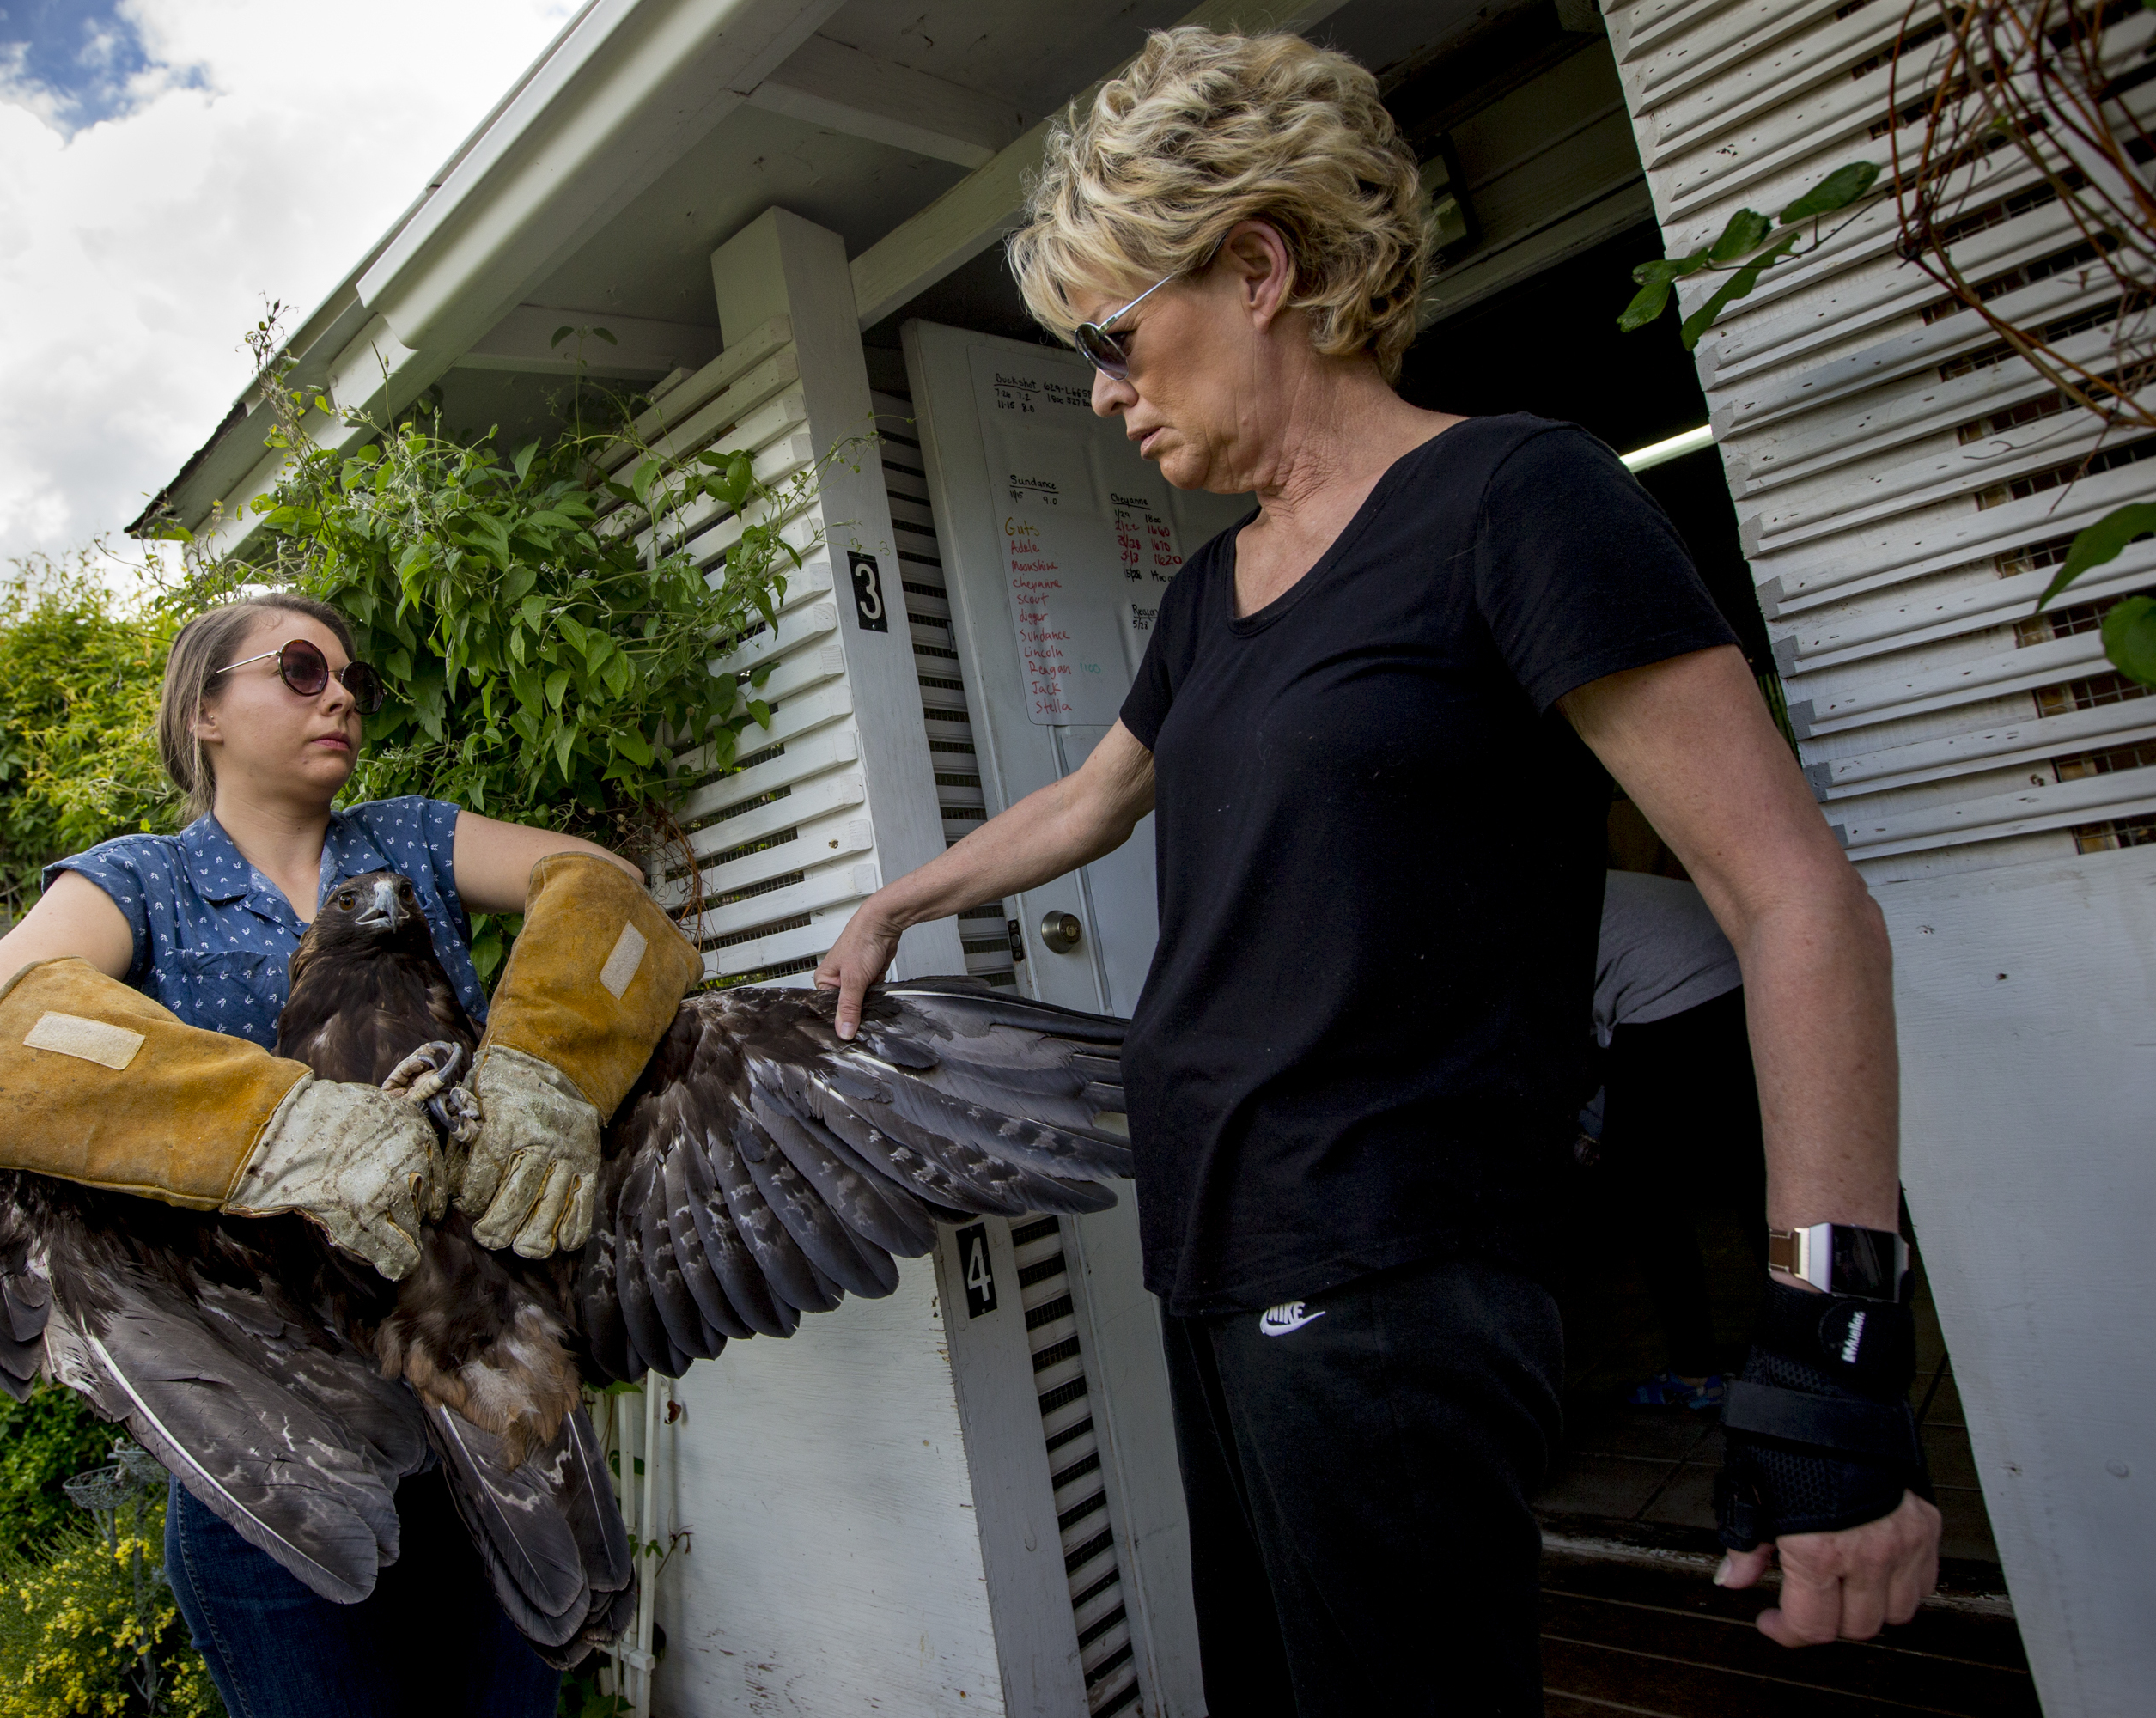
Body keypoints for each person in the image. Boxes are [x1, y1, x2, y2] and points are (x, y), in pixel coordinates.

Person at [816, 28, 1940, 1715]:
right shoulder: (1213, 596)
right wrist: (900, 901)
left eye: (1118, 341)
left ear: (1260, 267)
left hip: (1391, 1271)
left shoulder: (1514, 498)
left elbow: (1794, 898)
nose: (1104, 393)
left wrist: (1837, 1365)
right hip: (1216, 1251)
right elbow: (1090, 800)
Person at [0, 591, 694, 1718]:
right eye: (296, 669)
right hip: (276, 1431)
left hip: (485, 1416)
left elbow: (603, 889)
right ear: (206, 714)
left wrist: (546, 1071)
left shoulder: (414, 842)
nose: (338, 695)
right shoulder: (142, 884)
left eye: (350, 680)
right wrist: (263, 1125)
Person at [1581, 868, 1766, 1411]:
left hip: (1672, 999)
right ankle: (1812, 1353)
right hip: (1746, 980)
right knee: (1759, 1182)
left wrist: (1590, 1135)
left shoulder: (1505, 913)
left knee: (1642, 1197)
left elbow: (1563, 1054)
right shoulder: (1583, 881)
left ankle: (1694, 1374)